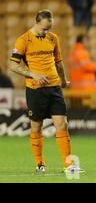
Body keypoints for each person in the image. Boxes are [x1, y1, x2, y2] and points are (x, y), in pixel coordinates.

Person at [9, 10, 84, 173]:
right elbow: (13, 65)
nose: (46, 32)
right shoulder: (23, 40)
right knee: (36, 126)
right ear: (36, 22)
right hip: (35, 90)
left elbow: (59, 62)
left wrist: (63, 81)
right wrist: (32, 74)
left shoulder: (53, 38)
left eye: (49, 29)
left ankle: (69, 164)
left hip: (54, 88)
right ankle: (40, 163)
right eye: (44, 29)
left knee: (62, 125)